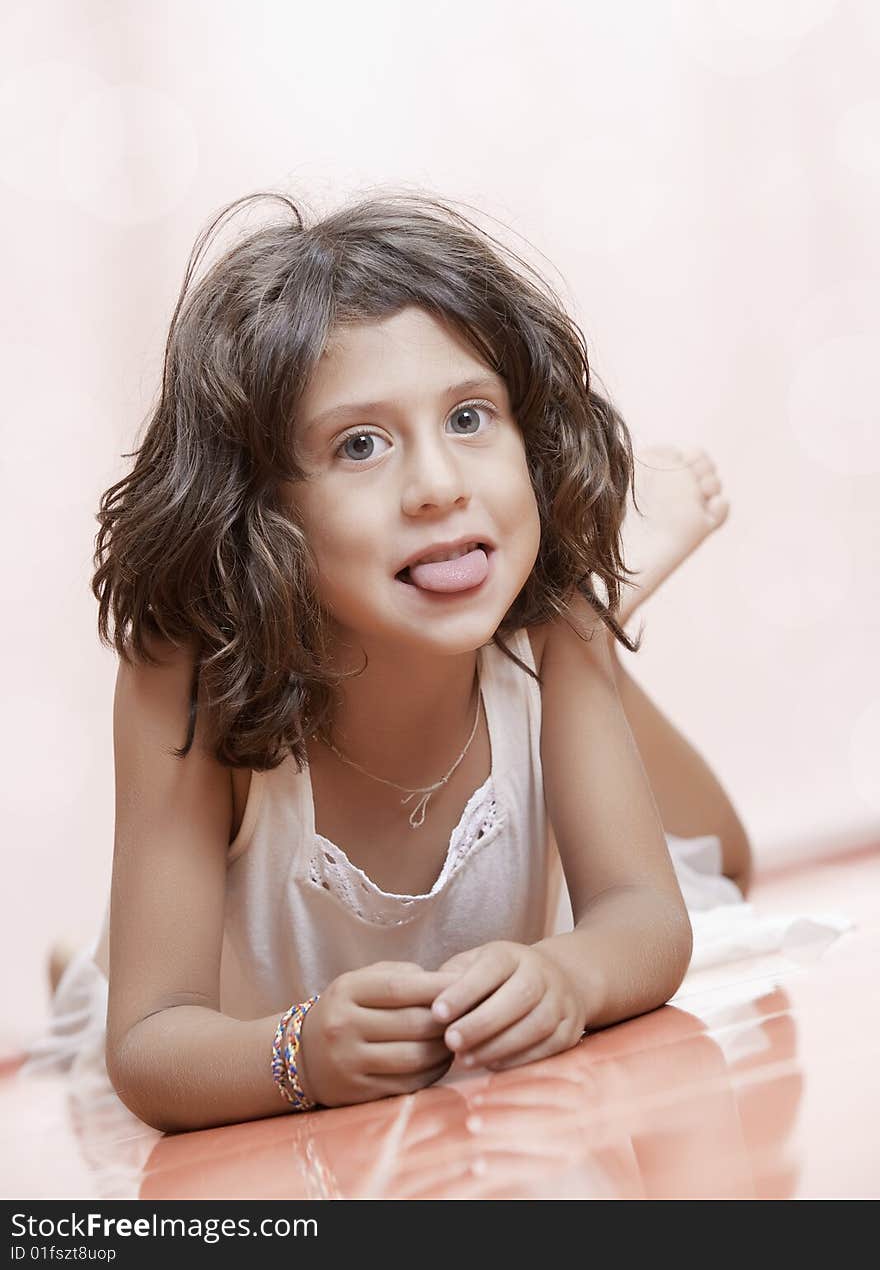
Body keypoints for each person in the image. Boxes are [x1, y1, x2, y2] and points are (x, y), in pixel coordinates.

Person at [32, 191, 752, 1136]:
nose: (440, 486)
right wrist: (299, 1053)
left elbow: (647, 917)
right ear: (258, 511)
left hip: (537, 638)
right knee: (109, 985)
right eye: (360, 445)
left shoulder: (554, 627)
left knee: (719, 861)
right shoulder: (185, 680)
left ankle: (582, 584)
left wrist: (569, 974)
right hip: (251, 1006)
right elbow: (152, 1045)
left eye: (469, 418)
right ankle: (83, 962)